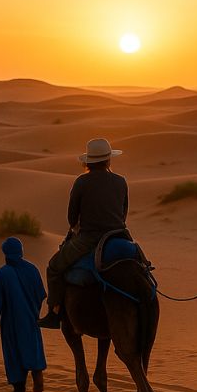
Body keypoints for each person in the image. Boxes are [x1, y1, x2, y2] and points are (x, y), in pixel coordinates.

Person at [37, 138, 128, 329]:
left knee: (54, 267)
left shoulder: (81, 182)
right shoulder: (121, 181)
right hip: (120, 235)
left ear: (88, 161)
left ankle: (54, 313)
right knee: (142, 263)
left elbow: (72, 218)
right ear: (108, 160)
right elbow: (123, 213)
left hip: (89, 238)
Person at [0, 237, 48, 392]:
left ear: (5, 253)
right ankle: (37, 375)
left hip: (11, 322)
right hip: (31, 318)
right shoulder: (32, 269)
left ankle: (19, 389)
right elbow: (41, 294)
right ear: (21, 251)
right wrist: (33, 311)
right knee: (32, 346)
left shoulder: (2, 274)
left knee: (13, 353)